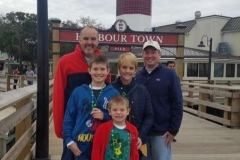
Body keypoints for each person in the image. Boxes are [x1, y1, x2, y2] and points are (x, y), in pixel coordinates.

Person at [53, 26, 108, 160]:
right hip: (74, 125)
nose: (89, 42)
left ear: (98, 41)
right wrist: (60, 128)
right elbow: (58, 95)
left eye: (93, 39)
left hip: (97, 126)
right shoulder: (65, 62)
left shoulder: (102, 62)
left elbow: (107, 93)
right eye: (86, 38)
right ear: (79, 40)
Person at [63, 55, 119, 160]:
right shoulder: (78, 92)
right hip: (80, 145)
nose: (99, 72)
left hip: (104, 146)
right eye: (95, 69)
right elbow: (69, 118)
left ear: (108, 71)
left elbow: (120, 118)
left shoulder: (114, 93)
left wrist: (105, 116)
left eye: (102, 69)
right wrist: (69, 140)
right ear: (89, 70)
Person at [135, 40, 183, 160]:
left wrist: (173, 130)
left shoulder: (170, 75)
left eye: (153, 52)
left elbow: (177, 103)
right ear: (142, 55)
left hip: (162, 133)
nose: (150, 55)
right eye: (146, 52)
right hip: (142, 133)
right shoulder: (137, 76)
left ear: (160, 54)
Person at [111, 52, 154, 159]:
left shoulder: (142, 90)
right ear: (119, 68)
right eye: (124, 67)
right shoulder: (110, 89)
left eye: (131, 68)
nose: (127, 71)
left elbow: (149, 116)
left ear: (135, 70)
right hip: (114, 139)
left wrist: (140, 137)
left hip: (136, 139)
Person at [91, 95, 139, 160]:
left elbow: (135, 153)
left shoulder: (133, 130)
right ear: (109, 111)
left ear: (128, 111)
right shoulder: (102, 128)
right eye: (115, 110)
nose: (118, 112)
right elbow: (96, 151)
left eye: (122, 110)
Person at [166, 61, 177, 142]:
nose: (172, 68)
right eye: (170, 66)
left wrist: (174, 129)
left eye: (173, 66)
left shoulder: (176, 77)